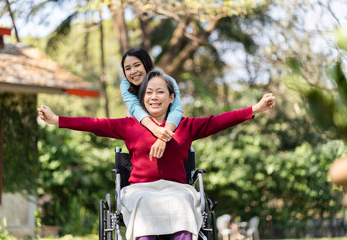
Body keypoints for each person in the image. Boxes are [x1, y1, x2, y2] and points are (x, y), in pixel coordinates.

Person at [38, 69, 275, 240]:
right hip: (140, 189)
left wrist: (255, 109)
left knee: (182, 201)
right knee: (144, 202)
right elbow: (95, 123)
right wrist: (57, 120)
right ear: (142, 98)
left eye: (160, 92)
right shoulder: (130, 125)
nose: (154, 97)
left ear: (171, 98)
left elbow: (219, 120)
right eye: (149, 92)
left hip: (176, 188)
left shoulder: (186, 125)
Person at [120, 48, 183, 160]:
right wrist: (155, 130)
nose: (133, 71)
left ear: (146, 64)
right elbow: (135, 108)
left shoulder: (168, 81)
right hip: (142, 137)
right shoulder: (126, 85)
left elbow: (176, 110)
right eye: (128, 68)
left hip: (170, 134)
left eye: (137, 65)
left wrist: (162, 138)